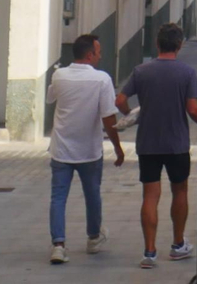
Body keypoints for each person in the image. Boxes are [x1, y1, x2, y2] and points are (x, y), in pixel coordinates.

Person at [116, 22, 197, 268]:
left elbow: (120, 100)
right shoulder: (186, 73)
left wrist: (132, 113)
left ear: (157, 44)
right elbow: (193, 109)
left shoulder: (141, 71)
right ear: (180, 45)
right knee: (180, 191)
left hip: (148, 143)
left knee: (150, 195)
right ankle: (177, 245)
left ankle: (149, 252)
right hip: (176, 144)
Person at [45, 33, 124, 265]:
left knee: (58, 197)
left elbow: (51, 98)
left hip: (61, 148)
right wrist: (118, 148)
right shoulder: (101, 80)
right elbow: (109, 117)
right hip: (89, 150)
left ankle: (58, 245)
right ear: (89, 55)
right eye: (98, 52)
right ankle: (93, 238)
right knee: (92, 195)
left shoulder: (59, 75)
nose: (100, 56)